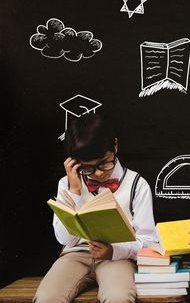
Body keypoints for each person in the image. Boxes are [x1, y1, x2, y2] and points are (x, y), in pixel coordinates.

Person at [34, 113, 159, 303]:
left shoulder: (136, 184)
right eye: (88, 168)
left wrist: (113, 251)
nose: (99, 173)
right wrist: (74, 191)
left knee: (118, 296)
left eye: (104, 162)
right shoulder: (66, 184)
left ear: (115, 146)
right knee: (47, 297)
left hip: (118, 257)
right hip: (76, 255)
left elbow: (149, 242)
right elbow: (65, 238)